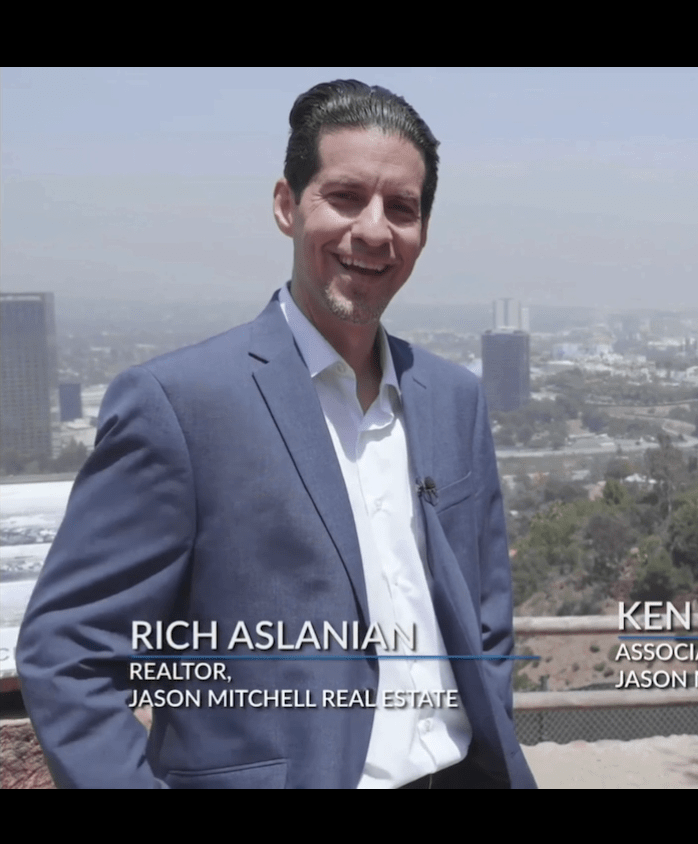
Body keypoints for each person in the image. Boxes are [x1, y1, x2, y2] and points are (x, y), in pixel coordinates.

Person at [17, 80, 536, 788]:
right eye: (345, 196)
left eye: (403, 208)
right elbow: (68, 651)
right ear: (287, 206)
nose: (375, 230)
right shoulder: (182, 405)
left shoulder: (454, 398)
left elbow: (485, 616)